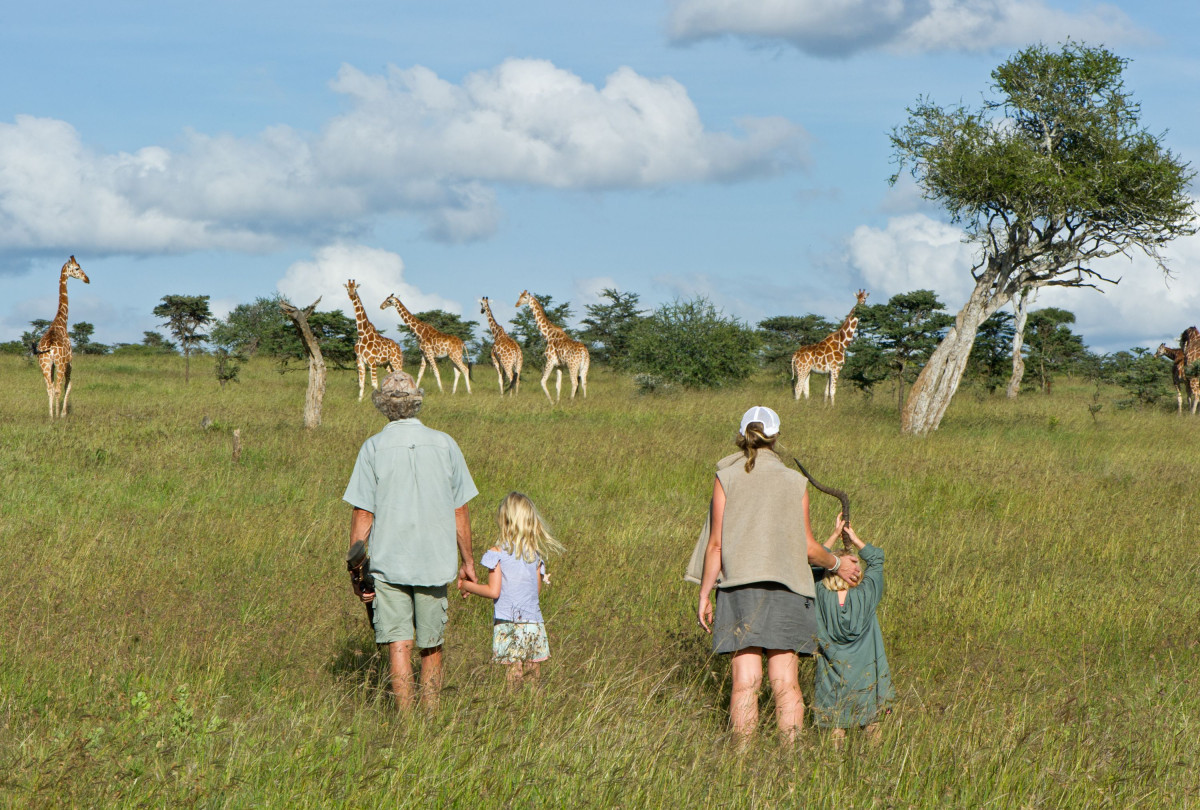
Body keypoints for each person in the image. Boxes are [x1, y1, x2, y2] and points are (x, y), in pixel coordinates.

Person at [686, 405, 863, 741]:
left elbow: (716, 545)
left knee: (744, 683)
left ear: (743, 434)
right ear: (775, 436)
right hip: (790, 591)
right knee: (785, 683)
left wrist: (704, 593)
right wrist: (838, 564)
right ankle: (790, 761)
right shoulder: (795, 481)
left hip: (739, 589)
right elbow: (809, 547)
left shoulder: (726, 476)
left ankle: (742, 761)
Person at [343, 370, 479, 711]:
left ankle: (406, 726)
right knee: (431, 645)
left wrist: (356, 572)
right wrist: (468, 562)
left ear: (382, 405)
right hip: (435, 562)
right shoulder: (445, 443)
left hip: (389, 564)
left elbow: (363, 515)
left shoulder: (373, 447)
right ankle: (431, 718)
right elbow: (459, 510)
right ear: (416, 402)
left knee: (398, 643)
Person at [457, 492, 564, 690]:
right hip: (534, 623)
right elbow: (536, 592)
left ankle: (514, 705)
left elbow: (493, 591)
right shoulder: (535, 555)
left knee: (513, 674)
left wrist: (466, 585)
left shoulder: (497, 553)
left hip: (508, 621)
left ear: (504, 520)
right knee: (533, 674)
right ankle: (533, 706)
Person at [813, 517, 894, 748]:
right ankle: (876, 764)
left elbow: (811, 565)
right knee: (872, 723)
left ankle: (834, 767)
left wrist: (833, 537)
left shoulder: (819, 594)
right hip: (867, 677)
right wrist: (855, 539)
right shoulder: (867, 595)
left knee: (835, 725)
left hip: (831, 680)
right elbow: (877, 559)